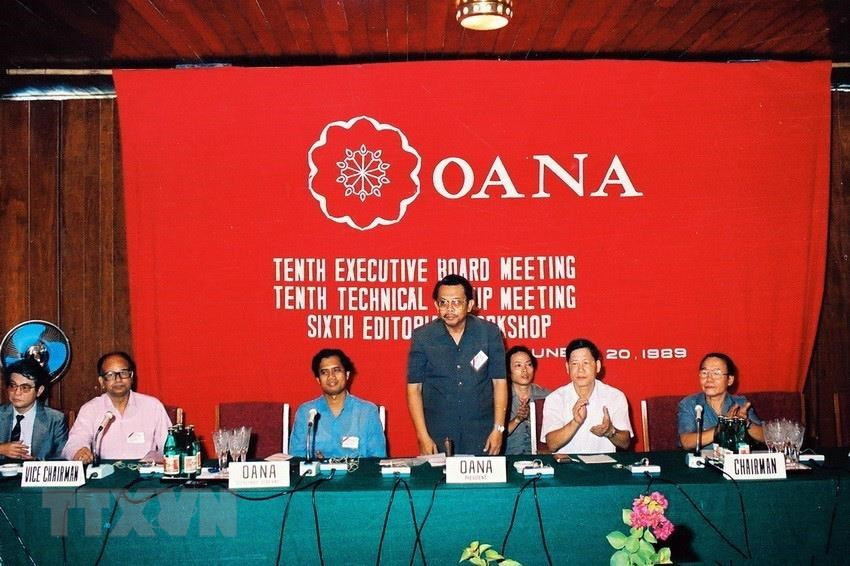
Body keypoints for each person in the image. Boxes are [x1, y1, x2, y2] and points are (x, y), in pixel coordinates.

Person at [407, 274, 507, 455]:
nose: (449, 309)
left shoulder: (489, 333)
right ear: (436, 305)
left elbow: (499, 383)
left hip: (482, 433)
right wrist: (422, 435)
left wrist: (498, 430)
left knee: (483, 484)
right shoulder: (423, 336)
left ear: (469, 305)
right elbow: (414, 389)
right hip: (437, 434)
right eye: (443, 302)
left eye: (456, 302)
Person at [63, 351, 172, 462]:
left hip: (145, 474)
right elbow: (74, 442)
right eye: (110, 375)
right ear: (102, 382)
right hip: (105, 474)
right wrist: (79, 451)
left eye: (123, 373)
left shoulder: (152, 406)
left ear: (132, 377)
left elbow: (170, 446)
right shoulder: (90, 409)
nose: (118, 379)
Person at [289, 348, 386, 459]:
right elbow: (296, 459)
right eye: (324, 372)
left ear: (347, 375)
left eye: (336, 370)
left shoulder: (367, 412)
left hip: (357, 475)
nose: (331, 377)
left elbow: (378, 459)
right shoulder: (306, 412)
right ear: (318, 380)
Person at [541, 338, 632, 454]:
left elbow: (625, 443)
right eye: (574, 364)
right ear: (567, 368)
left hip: (603, 466)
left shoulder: (615, 396)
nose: (580, 370)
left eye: (586, 363)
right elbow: (552, 445)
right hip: (567, 467)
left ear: (597, 366)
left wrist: (610, 431)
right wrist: (575, 422)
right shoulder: (555, 399)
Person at [677, 352, 764, 450]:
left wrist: (746, 423)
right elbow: (686, 442)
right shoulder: (690, 404)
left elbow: (765, 437)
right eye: (704, 373)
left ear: (730, 380)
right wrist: (723, 426)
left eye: (716, 373)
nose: (709, 379)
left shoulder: (740, 404)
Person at [0, 359, 67, 461]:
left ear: (39, 391)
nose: (17, 392)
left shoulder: (54, 419)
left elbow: (62, 457)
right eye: (13, 386)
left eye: (25, 387)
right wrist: (1, 449)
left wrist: (36, 463)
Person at [504, 346, 550, 455]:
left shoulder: (546, 396)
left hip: (540, 461)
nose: (524, 370)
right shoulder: (501, 397)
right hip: (509, 460)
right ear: (508, 371)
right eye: (518, 365)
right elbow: (496, 434)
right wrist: (517, 419)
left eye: (528, 364)